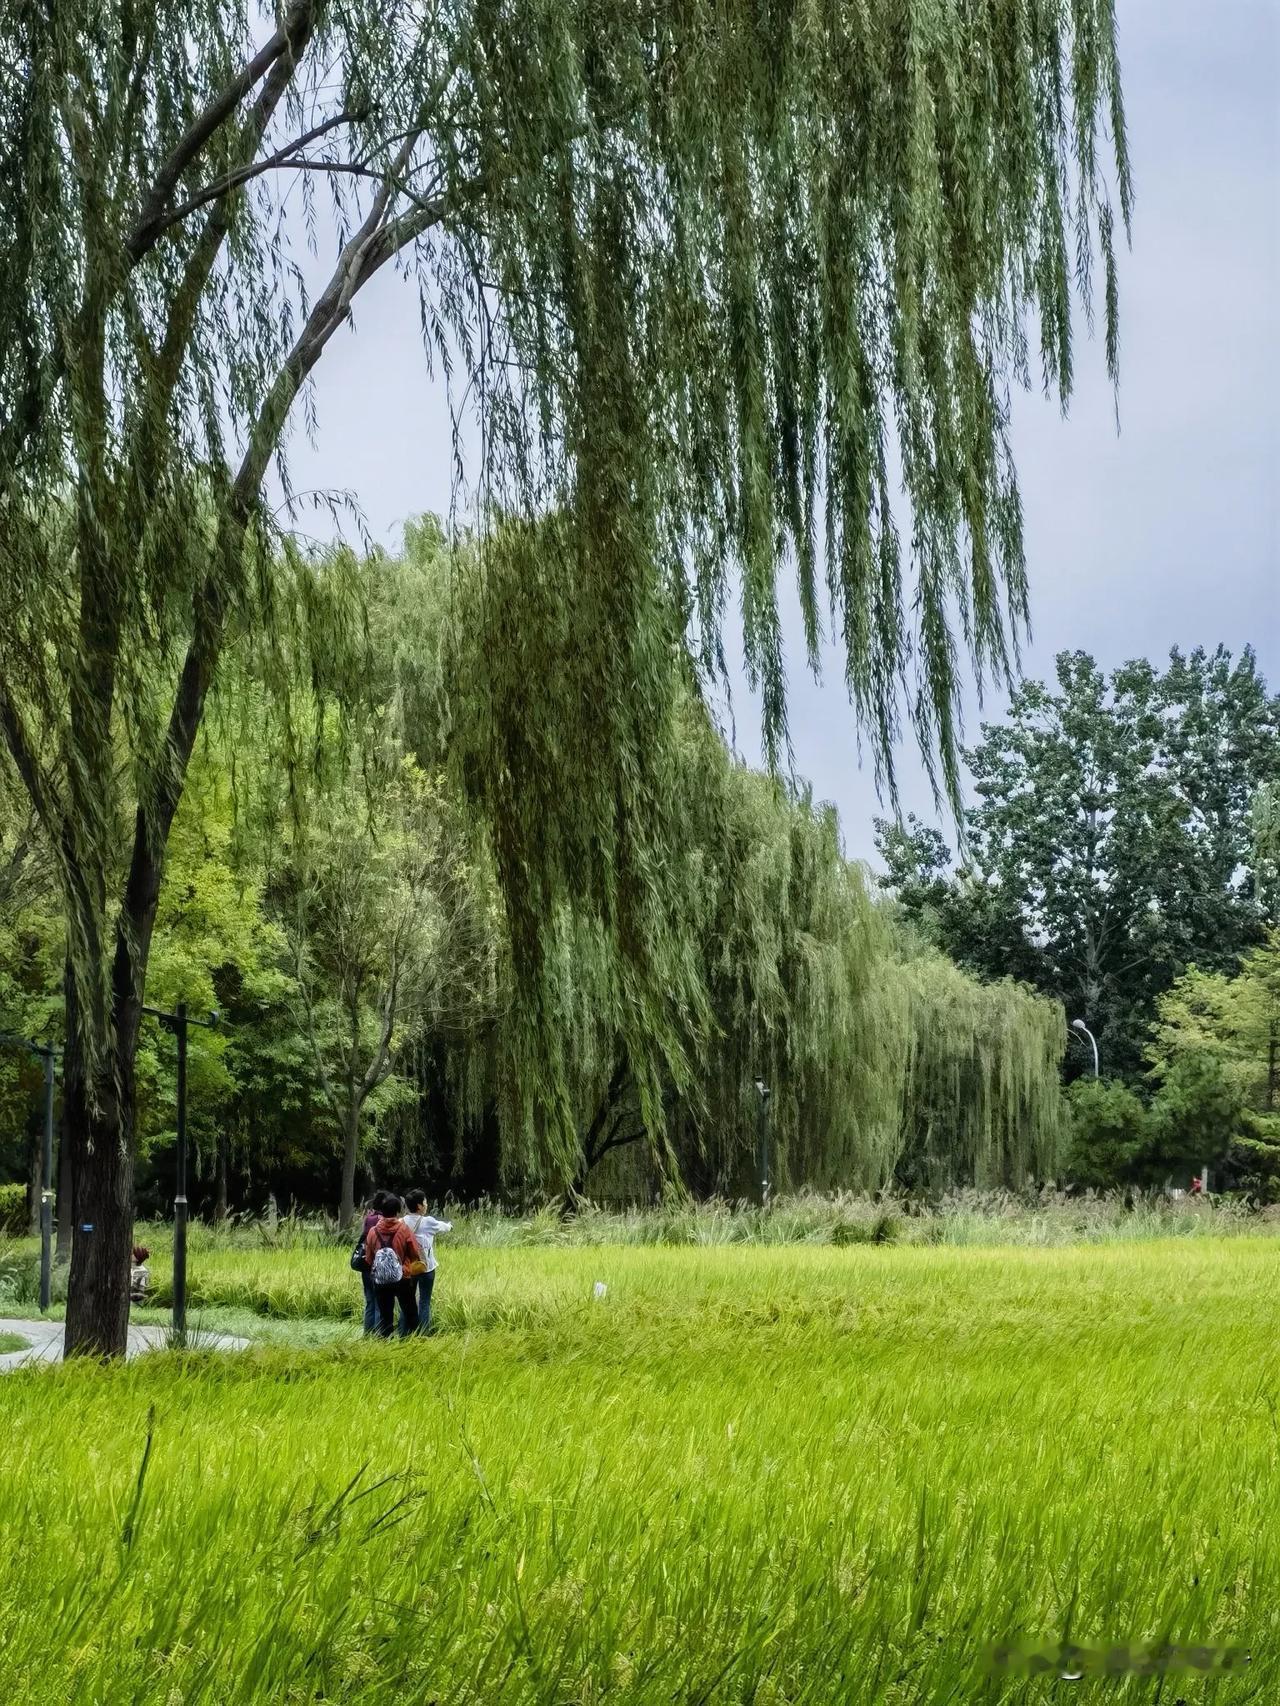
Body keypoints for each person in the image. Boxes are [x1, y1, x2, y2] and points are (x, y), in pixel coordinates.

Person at [362, 1194, 423, 1339]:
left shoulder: (373, 1232)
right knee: (411, 1313)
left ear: (382, 1211)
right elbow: (415, 1254)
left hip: (381, 1281)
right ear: (397, 1211)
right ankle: (416, 1344)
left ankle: (385, 1348)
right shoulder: (404, 1230)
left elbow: (369, 1259)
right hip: (403, 1277)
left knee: (385, 1317)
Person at [402, 1189, 453, 1334]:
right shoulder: (428, 1222)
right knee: (424, 1302)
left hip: (408, 1268)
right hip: (426, 1267)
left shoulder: (402, 1222)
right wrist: (450, 1225)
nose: (426, 1204)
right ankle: (424, 1334)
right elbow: (444, 1227)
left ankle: (403, 1334)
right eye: (425, 1202)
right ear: (419, 1206)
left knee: (407, 1301)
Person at [358, 1191, 392, 1335]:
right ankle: (379, 1335)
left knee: (370, 1302)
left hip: (366, 1264)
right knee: (380, 1303)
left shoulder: (369, 1218)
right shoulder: (382, 1220)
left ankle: (367, 1333)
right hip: (378, 1266)